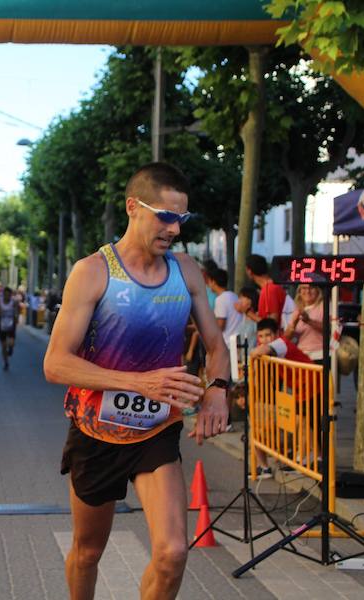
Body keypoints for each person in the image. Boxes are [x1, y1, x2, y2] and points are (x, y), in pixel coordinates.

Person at [43, 162, 229, 600]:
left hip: (156, 431)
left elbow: (217, 347)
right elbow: (55, 364)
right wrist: (138, 383)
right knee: (88, 552)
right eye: (166, 216)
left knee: (173, 554)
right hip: (96, 430)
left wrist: (218, 393)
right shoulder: (93, 272)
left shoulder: (186, 272)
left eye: (182, 219)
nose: (175, 230)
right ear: (133, 207)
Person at [249, 318, 313, 478]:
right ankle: (269, 466)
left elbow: (257, 352)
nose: (264, 340)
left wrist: (255, 353)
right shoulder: (272, 348)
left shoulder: (280, 343)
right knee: (300, 423)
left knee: (303, 423)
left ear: (277, 334)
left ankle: (305, 460)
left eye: (268, 335)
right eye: (261, 336)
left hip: (309, 385)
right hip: (298, 388)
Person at [245, 255, 295, 327]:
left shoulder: (269, 290)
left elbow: (272, 323)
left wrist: (247, 312)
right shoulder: (272, 287)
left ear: (249, 271)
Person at [283, 284, 325, 363]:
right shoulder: (295, 309)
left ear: (317, 290)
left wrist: (309, 321)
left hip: (321, 354)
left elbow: (329, 329)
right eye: (304, 288)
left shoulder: (325, 306)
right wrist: (294, 324)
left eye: (311, 288)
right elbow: (286, 337)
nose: (308, 291)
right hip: (301, 355)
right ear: (299, 291)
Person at [206, 268, 242, 342]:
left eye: (209, 282)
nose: (208, 285)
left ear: (213, 282)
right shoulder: (234, 295)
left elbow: (220, 325)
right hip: (236, 341)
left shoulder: (220, 299)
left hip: (227, 342)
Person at [0, 286, 19, 371]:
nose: (7, 296)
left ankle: (11, 349)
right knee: (3, 347)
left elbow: (16, 313)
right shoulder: (0, 303)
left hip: (11, 327)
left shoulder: (14, 303)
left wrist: (16, 319)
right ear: (3, 295)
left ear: (11, 295)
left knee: (11, 344)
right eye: (5, 295)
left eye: (9, 295)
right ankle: (6, 363)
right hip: (2, 327)